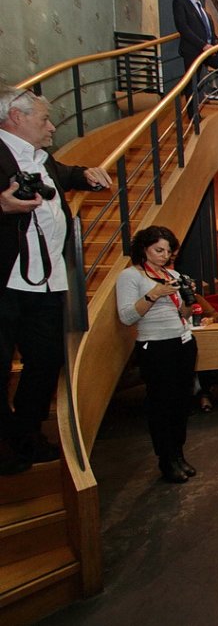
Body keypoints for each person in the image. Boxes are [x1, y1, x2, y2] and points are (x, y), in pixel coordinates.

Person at [0, 86, 112, 475]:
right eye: (44, 119)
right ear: (16, 117)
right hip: (7, 283)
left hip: (47, 285)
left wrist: (86, 174)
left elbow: (66, 174)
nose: (51, 127)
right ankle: (6, 447)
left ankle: (27, 437)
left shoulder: (43, 159)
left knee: (45, 363)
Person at [115, 226, 199, 484]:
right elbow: (127, 316)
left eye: (168, 251)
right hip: (155, 346)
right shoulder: (131, 276)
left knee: (181, 403)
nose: (164, 255)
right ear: (144, 249)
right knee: (161, 404)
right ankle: (166, 460)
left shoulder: (172, 274)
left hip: (182, 341)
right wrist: (154, 294)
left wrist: (188, 297)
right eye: (158, 250)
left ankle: (178, 454)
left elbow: (184, 314)